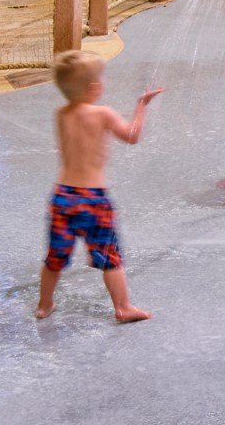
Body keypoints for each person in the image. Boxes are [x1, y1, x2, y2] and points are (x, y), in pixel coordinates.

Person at [37, 52, 161, 323]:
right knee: (110, 257)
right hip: (93, 200)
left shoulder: (61, 114)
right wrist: (141, 106)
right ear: (94, 88)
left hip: (63, 197)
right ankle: (123, 307)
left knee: (54, 257)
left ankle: (44, 304)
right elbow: (132, 136)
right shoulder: (102, 114)